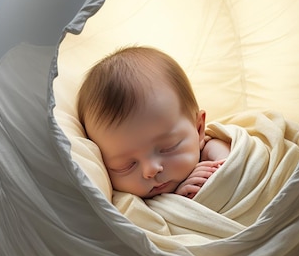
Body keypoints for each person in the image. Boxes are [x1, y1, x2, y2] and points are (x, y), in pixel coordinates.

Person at [77, 45, 231, 199]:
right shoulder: (129, 204)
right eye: (125, 166)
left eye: (168, 147)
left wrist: (216, 170)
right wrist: (179, 202)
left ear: (198, 129)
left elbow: (235, 165)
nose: (151, 170)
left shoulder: (212, 149)